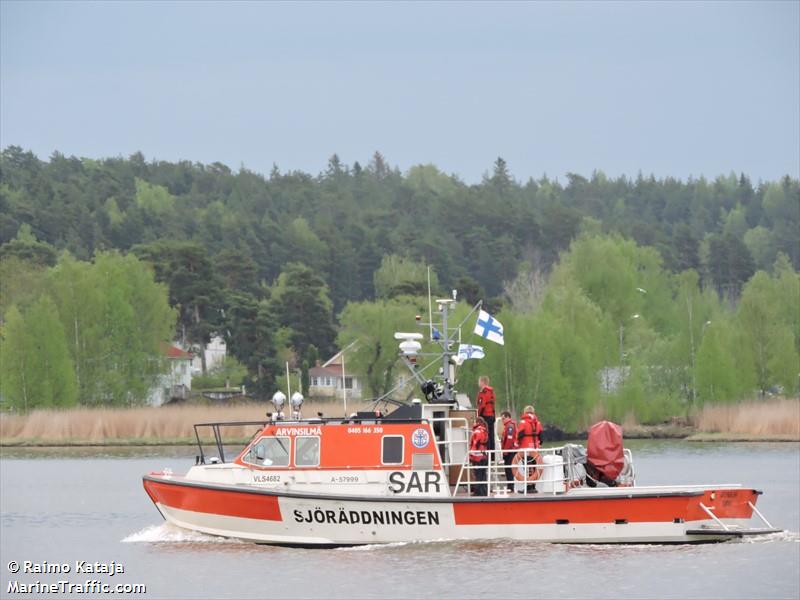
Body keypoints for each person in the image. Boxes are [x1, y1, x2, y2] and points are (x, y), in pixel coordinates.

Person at [469, 416, 489, 496]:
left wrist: (471, 456)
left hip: (477, 457)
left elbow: (475, 444)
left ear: (477, 422)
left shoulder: (477, 431)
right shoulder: (484, 430)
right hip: (483, 455)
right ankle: (484, 491)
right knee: (483, 475)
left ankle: (478, 492)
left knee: (478, 475)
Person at [476, 376, 496, 453]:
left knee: (486, 435)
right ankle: (492, 455)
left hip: (485, 416)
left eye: (479, 381)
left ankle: (487, 454)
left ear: (482, 382)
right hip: (492, 416)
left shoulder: (483, 393)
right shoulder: (492, 392)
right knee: (491, 436)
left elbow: (482, 405)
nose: (478, 383)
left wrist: (479, 416)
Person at [499, 410, 518, 491]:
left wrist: (505, 451)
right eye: (502, 419)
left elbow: (509, 439)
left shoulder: (509, 426)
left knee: (509, 469)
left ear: (508, 417)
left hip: (510, 451)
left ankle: (511, 487)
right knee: (508, 469)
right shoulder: (507, 426)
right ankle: (510, 486)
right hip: (509, 451)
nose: (502, 421)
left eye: (503, 418)